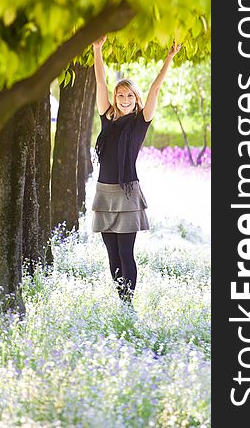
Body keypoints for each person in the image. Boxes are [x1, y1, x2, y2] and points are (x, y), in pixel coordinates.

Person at [91, 35, 181, 305]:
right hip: (104, 193)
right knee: (111, 255)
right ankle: (121, 302)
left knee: (125, 252)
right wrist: (98, 49)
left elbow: (154, 89)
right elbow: (100, 81)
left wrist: (169, 58)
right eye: (121, 95)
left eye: (130, 95)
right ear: (116, 99)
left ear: (136, 99)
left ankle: (128, 304)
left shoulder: (140, 122)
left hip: (128, 193)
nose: (125, 99)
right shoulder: (106, 117)